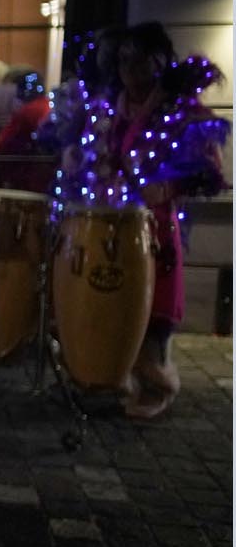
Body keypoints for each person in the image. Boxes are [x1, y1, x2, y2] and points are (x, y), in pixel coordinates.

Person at [58, 22, 228, 418]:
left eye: (137, 59)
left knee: (155, 303)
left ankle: (155, 381)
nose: (128, 68)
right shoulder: (108, 108)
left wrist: (168, 187)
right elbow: (86, 152)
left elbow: (211, 175)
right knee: (105, 294)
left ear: (159, 61)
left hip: (155, 224)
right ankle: (108, 373)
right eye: (122, 60)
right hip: (105, 217)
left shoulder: (180, 112)